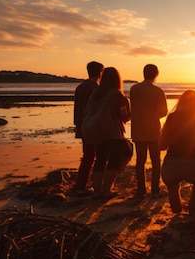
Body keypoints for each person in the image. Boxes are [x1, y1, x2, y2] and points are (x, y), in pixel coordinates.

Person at [85, 67, 132, 198]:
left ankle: (97, 191)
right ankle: (107, 190)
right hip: (114, 132)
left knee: (100, 159)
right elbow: (124, 116)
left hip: (98, 131)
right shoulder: (117, 95)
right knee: (117, 159)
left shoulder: (96, 93)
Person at [129, 64, 168, 198]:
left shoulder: (134, 89)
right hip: (153, 129)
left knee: (140, 160)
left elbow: (132, 108)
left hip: (138, 128)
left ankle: (141, 188)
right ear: (156, 74)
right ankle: (155, 188)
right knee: (156, 160)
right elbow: (164, 112)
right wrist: (153, 115)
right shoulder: (157, 91)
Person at [72, 61, 104, 195]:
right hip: (92, 126)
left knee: (88, 156)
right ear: (100, 73)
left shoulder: (80, 87)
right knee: (93, 156)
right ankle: (84, 185)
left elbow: (76, 108)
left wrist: (77, 125)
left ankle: (81, 184)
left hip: (82, 125)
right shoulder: (95, 88)